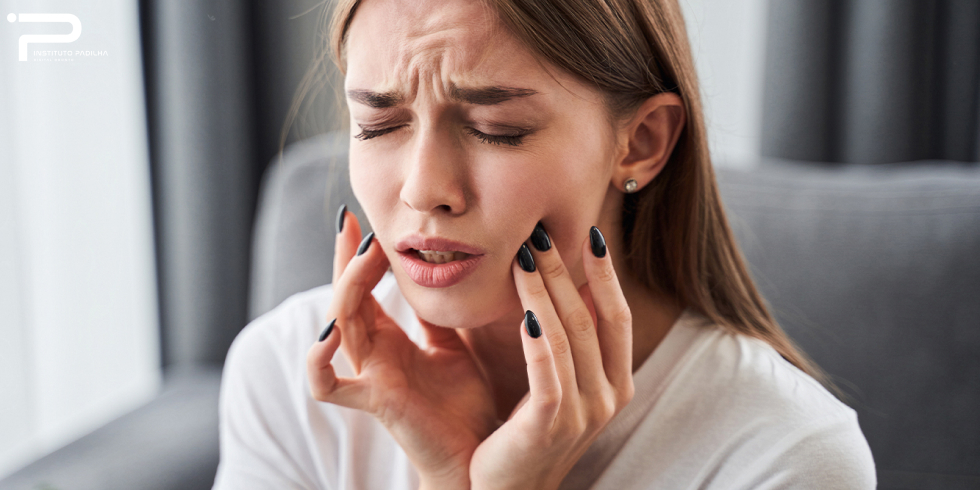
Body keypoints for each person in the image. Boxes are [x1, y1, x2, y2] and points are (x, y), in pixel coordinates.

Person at [212, 0, 877, 488]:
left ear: (641, 142)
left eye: (496, 128)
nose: (423, 190)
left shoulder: (788, 456)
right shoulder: (287, 374)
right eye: (379, 122)